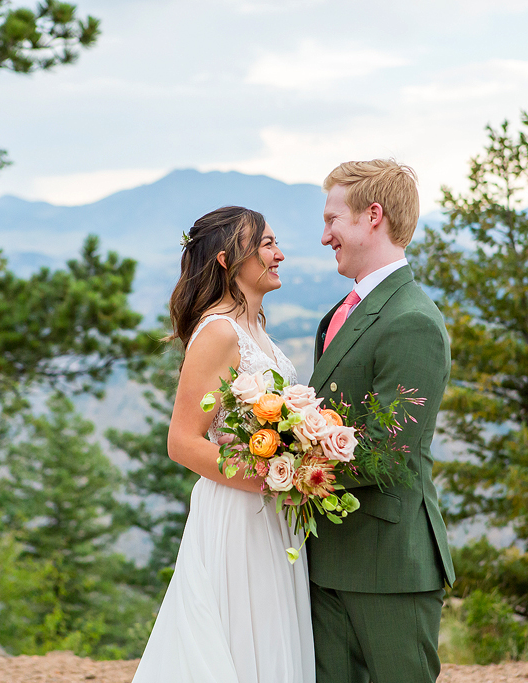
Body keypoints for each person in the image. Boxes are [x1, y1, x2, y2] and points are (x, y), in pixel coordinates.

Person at [131, 206, 314, 683]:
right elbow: (182, 441)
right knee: (240, 642)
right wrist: (268, 476)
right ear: (227, 259)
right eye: (268, 245)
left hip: (272, 511)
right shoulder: (218, 332)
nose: (280, 255)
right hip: (239, 512)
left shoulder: (258, 330)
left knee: (272, 642)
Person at [306, 160, 456, 683]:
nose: (325, 236)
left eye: (332, 220)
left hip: (389, 564)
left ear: (373, 216)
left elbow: (388, 453)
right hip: (327, 558)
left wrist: (291, 468)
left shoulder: (412, 320)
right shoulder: (339, 314)